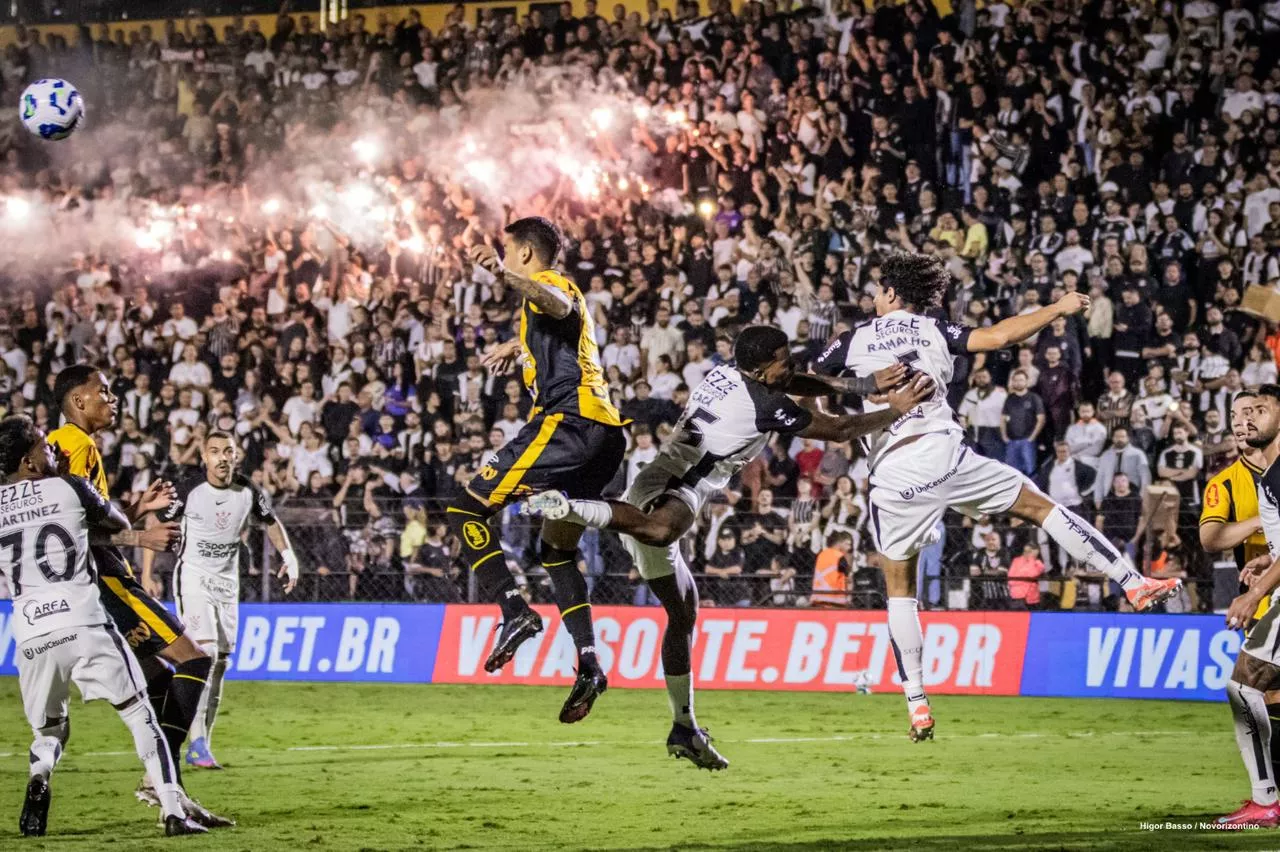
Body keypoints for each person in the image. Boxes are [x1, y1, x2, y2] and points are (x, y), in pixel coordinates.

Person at [523, 325, 933, 768]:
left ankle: (685, 728)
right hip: (673, 488)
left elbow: (795, 380)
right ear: (760, 368)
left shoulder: (732, 375)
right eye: (782, 357)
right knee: (661, 531)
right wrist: (895, 409)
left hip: (669, 477)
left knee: (682, 613)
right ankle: (573, 507)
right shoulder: (764, 404)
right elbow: (839, 430)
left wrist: (862, 384)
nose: (789, 363)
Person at [810, 252, 1179, 742]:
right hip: (946, 454)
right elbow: (1002, 335)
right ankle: (1131, 581)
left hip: (895, 470)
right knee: (1041, 508)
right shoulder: (935, 328)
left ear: (892, 295)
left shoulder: (853, 337)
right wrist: (1058, 307)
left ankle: (917, 702)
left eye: (878, 292)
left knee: (901, 589)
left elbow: (808, 381)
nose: (873, 300)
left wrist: (836, 411)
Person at [447, 217, 627, 724]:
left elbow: (559, 303)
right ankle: (589, 662)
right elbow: (559, 329)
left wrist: (503, 275)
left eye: (508, 251)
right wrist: (516, 346)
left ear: (524, 254)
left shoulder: (550, 284)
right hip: (602, 435)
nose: (504, 257)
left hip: (569, 424)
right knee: (556, 552)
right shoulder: (537, 317)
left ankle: (514, 610)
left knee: (465, 508)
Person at [0, 417, 205, 837]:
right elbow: (117, 525)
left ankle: (40, 776)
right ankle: (172, 812)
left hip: (30, 630)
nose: (52, 450)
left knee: (50, 729)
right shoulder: (70, 484)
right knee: (139, 714)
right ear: (29, 462)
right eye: (43, 446)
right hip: (82, 620)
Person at [47, 365, 231, 826]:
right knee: (195, 660)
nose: (112, 399)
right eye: (103, 392)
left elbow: (78, 520)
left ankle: (173, 794)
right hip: (105, 579)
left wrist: (134, 510)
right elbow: (74, 533)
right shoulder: (77, 445)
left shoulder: (60, 445)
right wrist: (142, 539)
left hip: (86, 583)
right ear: (78, 401)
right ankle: (160, 783)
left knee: (163, 685)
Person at [151, 431, 300, 770]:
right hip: (193, 577)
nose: (221, 458)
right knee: (204, 652)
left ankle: (202, 738)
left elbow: (271, 521)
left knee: (221, 663)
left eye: (227, 452)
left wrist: (289, 557)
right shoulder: (189, 490)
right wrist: (147, 570)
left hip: (227, 582)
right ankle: (195, 741)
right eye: (214, 451)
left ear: (236, 456)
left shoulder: (247, 490)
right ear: (204, 456)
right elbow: (158, 521)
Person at [1220, 385, 1280, 826]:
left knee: (1245, 686)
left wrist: (1254, 594)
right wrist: (1268, 556)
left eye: (1259, 410)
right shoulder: (1268, 474)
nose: (1246, 420)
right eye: (1240, 413)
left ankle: (1266, 800)